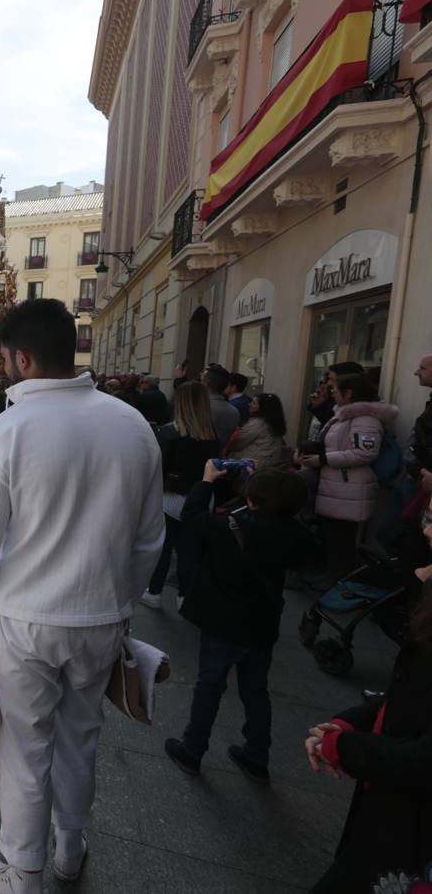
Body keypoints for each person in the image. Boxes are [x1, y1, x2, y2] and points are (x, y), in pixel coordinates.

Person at [0, 299, 163, 893]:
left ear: (21, 358)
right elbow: (149, 542)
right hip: (100, 618)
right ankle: (70, 850)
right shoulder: (132, 425)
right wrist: (119, 602)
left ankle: (25, 872)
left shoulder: (9, 430)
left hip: (22, 619)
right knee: (79, 736)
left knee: (22, 747)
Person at [164, 465, 316, 781]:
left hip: (223, 620)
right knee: (256, 689)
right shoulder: (296, 535)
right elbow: (314, 560)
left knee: (210, 683)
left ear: (253, 498)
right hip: (263, 620)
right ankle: (257, 754)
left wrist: (206, 481)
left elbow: (191, 517)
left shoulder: (227, 526)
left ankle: (192, 749)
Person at [305, 554, 432, 892]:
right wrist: (342, 725)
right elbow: (405, 699)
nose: (429, 531)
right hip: (392, 819)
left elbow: (422, 760)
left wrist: (341, 747)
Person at [299, 373, 399, 581]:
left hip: (349, 489)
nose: (332, 394)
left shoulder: (365, 419)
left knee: (341, 541)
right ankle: (332, 577)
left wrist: (323, 459)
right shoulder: (343, 415)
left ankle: (337, 583)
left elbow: (365, 453)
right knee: (333, 537)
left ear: (350, 393)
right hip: (337, 487)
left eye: (336, 391)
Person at [141, 382, 222, 610]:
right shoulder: (211, 435)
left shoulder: (169, 433)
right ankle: (185, 597)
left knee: (164, 547)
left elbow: (158, 466)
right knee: (190, 549)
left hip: (170, 497)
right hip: (201, 496)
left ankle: (155, 592)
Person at [225, 392, 287, 472]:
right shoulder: (275, 423)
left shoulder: (258, 424)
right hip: (268, 464)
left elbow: (237, 444)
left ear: (263, 407)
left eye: (254, 403)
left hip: (252, 466)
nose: (249, 404)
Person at [201, 365, 240, 446]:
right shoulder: (234, 411)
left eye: (201, 380)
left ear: (205, 382)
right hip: (217, 455)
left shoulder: (199, 407)